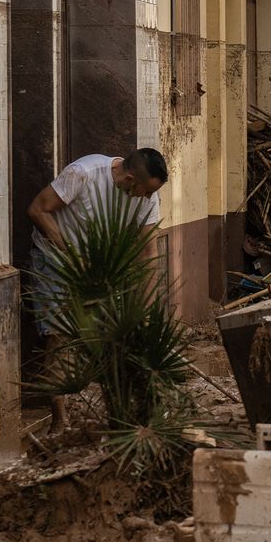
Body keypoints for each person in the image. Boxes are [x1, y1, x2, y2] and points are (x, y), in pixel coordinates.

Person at [27, 148, 169, 432]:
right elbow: (37, 210)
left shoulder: (148, 198)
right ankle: (59, 419)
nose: (147, 198)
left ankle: (120, 414)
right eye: (143, 191)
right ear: (129, 179)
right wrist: (71, 256)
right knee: (60, 334)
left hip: (99, 265)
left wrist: (145, 309)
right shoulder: (84, 173)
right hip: (56, 259)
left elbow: (147, 253)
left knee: (112, 331)